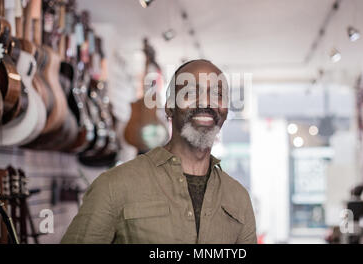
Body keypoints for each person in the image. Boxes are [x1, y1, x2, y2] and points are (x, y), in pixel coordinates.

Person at [61, 59, 257, 243]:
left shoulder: (238, 198)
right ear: (169, 107)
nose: (206, 102)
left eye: (218, 94)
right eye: (190, 92)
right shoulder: (114, 185)